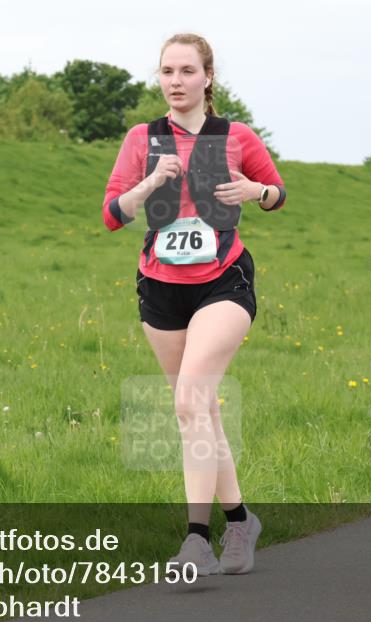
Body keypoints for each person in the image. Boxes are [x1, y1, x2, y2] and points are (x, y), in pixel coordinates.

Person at [102, 33, 286, 575]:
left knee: (188, 402)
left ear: (208, 77)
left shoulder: (236, 136)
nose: (175, 81)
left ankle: (196, 540)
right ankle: (242, 521)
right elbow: (114, 213)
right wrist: (150, 183)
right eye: (166, 72)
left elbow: (277, 194)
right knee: (200, 410)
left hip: (223, 281)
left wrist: (255, 192)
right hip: (160, 287)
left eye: (186, 71)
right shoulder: (142, 138)